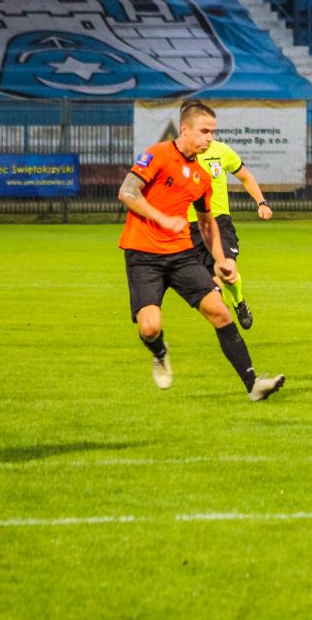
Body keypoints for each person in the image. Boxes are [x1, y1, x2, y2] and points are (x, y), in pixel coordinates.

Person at [119, 100, 284, 402]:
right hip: (144, 255)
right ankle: (160, 352)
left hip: (182, 255)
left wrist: (221, 261)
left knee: (219, 311)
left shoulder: (202, 177)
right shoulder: (157, 154)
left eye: (213, 132)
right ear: (185, 130)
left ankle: (253, 385)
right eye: (204, 131)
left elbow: (207, 224)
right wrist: (162, 219)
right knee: (150, 328)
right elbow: (127, 191)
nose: (210, 138)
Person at [186, 134, 274, 328]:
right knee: (212, 287)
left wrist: (262, 202)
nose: (207, 135)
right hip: (190, 227)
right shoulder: (178, 155)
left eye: (209, 130)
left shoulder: (221, 150)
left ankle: (239, 301)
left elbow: (245, 177)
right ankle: (227, 325)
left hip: (219, 222)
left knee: (227, 269)